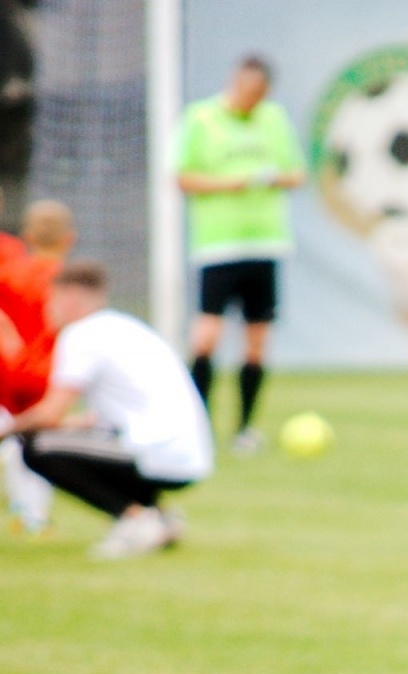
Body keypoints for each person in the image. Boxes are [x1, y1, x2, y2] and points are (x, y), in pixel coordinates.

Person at [0, 261, 212, 559]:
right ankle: (159, 515)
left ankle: (135, 519)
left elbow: (49, 414)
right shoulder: (123, 327)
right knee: (70, 442)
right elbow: (94, 420)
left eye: (52, 299)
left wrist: (6, 430)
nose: (48, 309)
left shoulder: (82, 334)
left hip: (155, 450)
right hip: (186, 452)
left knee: (37, 447)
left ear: (71, 296)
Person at [173, 53, 305, 455]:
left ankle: (245, 428)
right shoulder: (201, 119)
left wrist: (267, 177)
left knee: (256, 343)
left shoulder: (273, 119)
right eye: (246, 89)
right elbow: (183, 176)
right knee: (207, 337)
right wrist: (229, 184)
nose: (251, 98)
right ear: (235, 83)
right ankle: (198, 425)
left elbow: (296, 173)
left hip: (265, 242)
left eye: (259, 93)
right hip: (218, 245)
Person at [0, 199, 74, 534]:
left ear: (27, 237)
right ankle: (34, 515)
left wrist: (11, 345)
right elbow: (59, 321)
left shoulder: (10, 271)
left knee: (14, 434)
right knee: (37, 441)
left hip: (9, 368)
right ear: (69, 239)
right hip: (46, 370)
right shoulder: (66, 280)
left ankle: (20, 506)